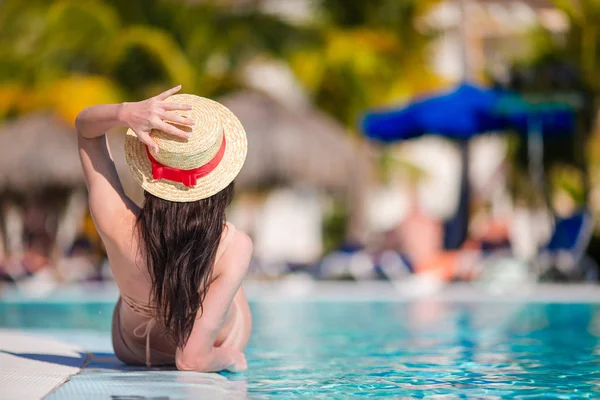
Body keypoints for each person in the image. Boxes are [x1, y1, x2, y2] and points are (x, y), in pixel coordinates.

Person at [76, 85, 253, 372]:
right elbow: (191, 360)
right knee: (228, 264)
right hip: (219, 341)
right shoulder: (235, 245)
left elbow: (85, 128)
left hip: (133, 349)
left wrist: (125, 112)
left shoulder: (115, 218)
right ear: (221, 181)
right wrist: (231, 358)